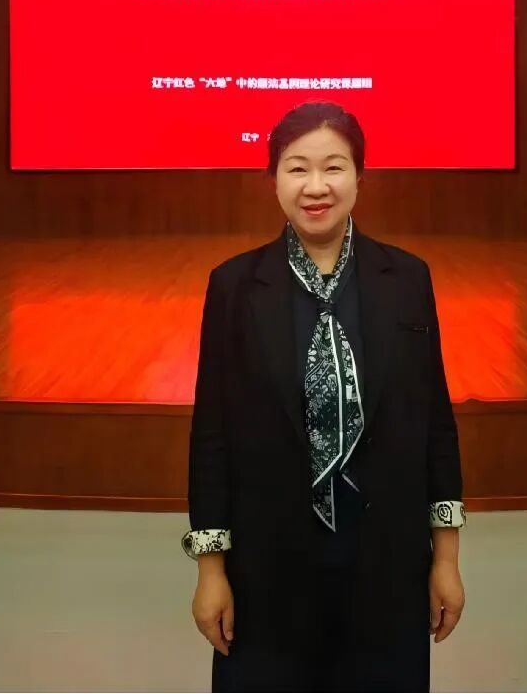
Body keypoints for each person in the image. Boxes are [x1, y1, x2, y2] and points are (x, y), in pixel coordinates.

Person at [182, 102, 465, 692]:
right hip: (267, 568)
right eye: (297, 168)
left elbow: (435, 424)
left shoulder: (407, 279)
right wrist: (210, 569)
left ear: (360, 175)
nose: (316, 186)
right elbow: (212, 435)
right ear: (273, 179)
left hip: (386, 565)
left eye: (334, 167)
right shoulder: (234, 286)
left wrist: (445, 559)